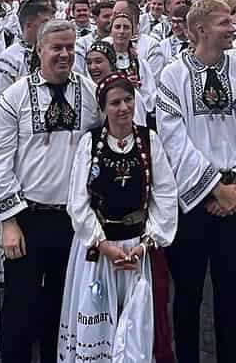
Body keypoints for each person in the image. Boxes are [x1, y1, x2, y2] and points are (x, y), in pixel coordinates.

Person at [155, 0, 236, 363]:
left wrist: (235, 185)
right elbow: (172, 139)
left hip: (234, 196)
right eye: (225, 22)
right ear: (201, 30)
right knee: (188, 294)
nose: (233, 26)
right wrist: (212, 187)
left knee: (229, 294)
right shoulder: (172, 75)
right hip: (194, 200)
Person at [0, 20, 103, 363]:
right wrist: (7, 222)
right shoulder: (15, 96)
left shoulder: (91, 93)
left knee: (63, 308)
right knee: (20, 309)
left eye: (70, 47)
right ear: (39, 50)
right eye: (57, 48)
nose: (65, 54)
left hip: (73, 220)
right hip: (27, 218)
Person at [58, 72, 178, 363]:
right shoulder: (91, 142)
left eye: (128, 100)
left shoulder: (149, 141)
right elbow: (78, 201)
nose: (123, 108)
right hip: (99, 249)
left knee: (137, 325)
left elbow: (164, 195)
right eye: (115, 103)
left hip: (138, 247)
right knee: (97, 323)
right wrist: (102, 244)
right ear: (103, 108)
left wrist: (146, 244)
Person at [0, 2, 53, 94]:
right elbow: (4, 95)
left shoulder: (53, 53)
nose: (49, 28)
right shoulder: (10, 58)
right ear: (29, 25)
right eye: (45, 23)